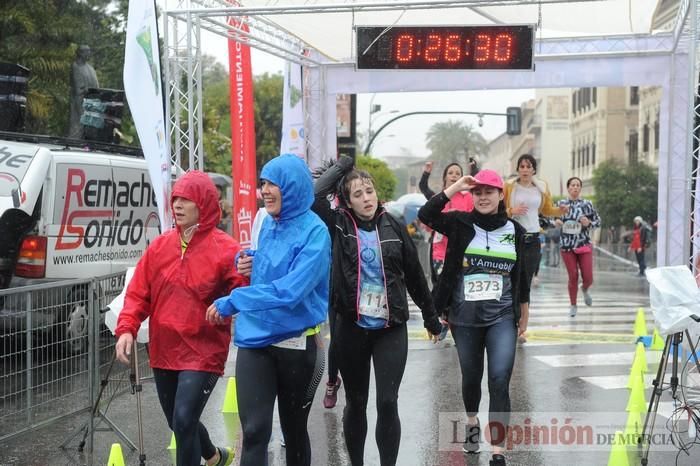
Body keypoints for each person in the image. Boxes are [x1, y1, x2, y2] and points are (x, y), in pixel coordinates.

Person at [313, 156, 443, 466]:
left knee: (387, 402)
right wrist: (342, 168)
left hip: (390, 327)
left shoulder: (394, 223)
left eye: (368, 191)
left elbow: (414, 273)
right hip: (352, 327)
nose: (366, 198)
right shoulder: (338, 224)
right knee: (356, 404)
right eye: (357, 194)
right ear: (347, 200)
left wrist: (430, 316)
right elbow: (314, 195)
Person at [115, 170, 246, 466]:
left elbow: (244, 291)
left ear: (204, 204)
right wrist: (127, 329)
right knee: (178, 422)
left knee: (185, 419)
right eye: (175, 198)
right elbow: (138, 294)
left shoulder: (227, 249)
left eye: (186, 199)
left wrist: (228, 302)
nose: (178, 205)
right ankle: (213, 456)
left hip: (204, 350)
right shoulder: (160, 247)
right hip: (164, 349)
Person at [206, 154, 330, 466]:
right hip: (256, 341)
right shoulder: (268, 223)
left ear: (294, 186)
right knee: (254, 431)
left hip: (298, 346)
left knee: (294, 432)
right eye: (263, 183)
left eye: (274, 183)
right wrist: (248, 261)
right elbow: (269, 268)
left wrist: (235, 300)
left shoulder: (316, 232)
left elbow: (290, 290)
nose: (266, 190)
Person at [418, 169, 529, 466]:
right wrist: (456, 187)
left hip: (502, 317)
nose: (482, 197)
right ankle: (471, 422)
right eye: (477, 192)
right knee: (471, 377)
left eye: (488, 192)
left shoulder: (516, 232)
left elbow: (523, 278)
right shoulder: (459, 223)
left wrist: (524, 315)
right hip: (463, 317)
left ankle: (498, 450)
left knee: (499, 379)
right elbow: (426, 214)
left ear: (500, 195)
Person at [504, 154, 567, 290]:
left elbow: (547, 210)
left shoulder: (542, 187)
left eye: (528, 167)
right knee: (513, 280)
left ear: (533, 170)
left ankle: (524, 311)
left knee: (526, 281)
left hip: (533, 237)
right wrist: (511, 211)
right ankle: (513, 310)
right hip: (513, 237)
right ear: (518, 170)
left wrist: (560, 211)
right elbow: (498, 210)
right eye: (522, 166)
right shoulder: (509, 186)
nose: (525, 170)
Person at [419, 161, 474, 286]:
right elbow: (423, 187)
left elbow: (473, 220)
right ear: (445, 177)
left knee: (458, 290)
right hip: (440, 251)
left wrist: (456, 217)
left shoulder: (468, 198)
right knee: (440, 288)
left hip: (462, 251)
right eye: (450, 173)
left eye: (458, 173)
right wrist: (426, 173)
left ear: (462, 179)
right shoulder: (438, 198)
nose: (454, 176)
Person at [555, 177, 601, 317]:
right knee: (573, 275)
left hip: (583, 244)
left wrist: (589, 223)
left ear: (580, 188)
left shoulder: (587, 204)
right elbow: (552, 218)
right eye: (572, 185)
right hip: (567, 246)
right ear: (568, 188)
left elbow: (598, 221)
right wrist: (556, 221)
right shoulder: (561, 204)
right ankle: (573, 304)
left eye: (577, 185)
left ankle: (585, 288)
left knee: (588, 276)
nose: (575, 187)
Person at [68, 45, 99, 139]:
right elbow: (78, 87)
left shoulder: (90, 68)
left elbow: (96, 85)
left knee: (90, 127)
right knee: (78, 125)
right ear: (80, 53)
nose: (89, 54)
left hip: (92, 101)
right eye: (86, 51)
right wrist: (85, 90)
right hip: (80, 101)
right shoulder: (75, 66)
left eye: (89, 51)